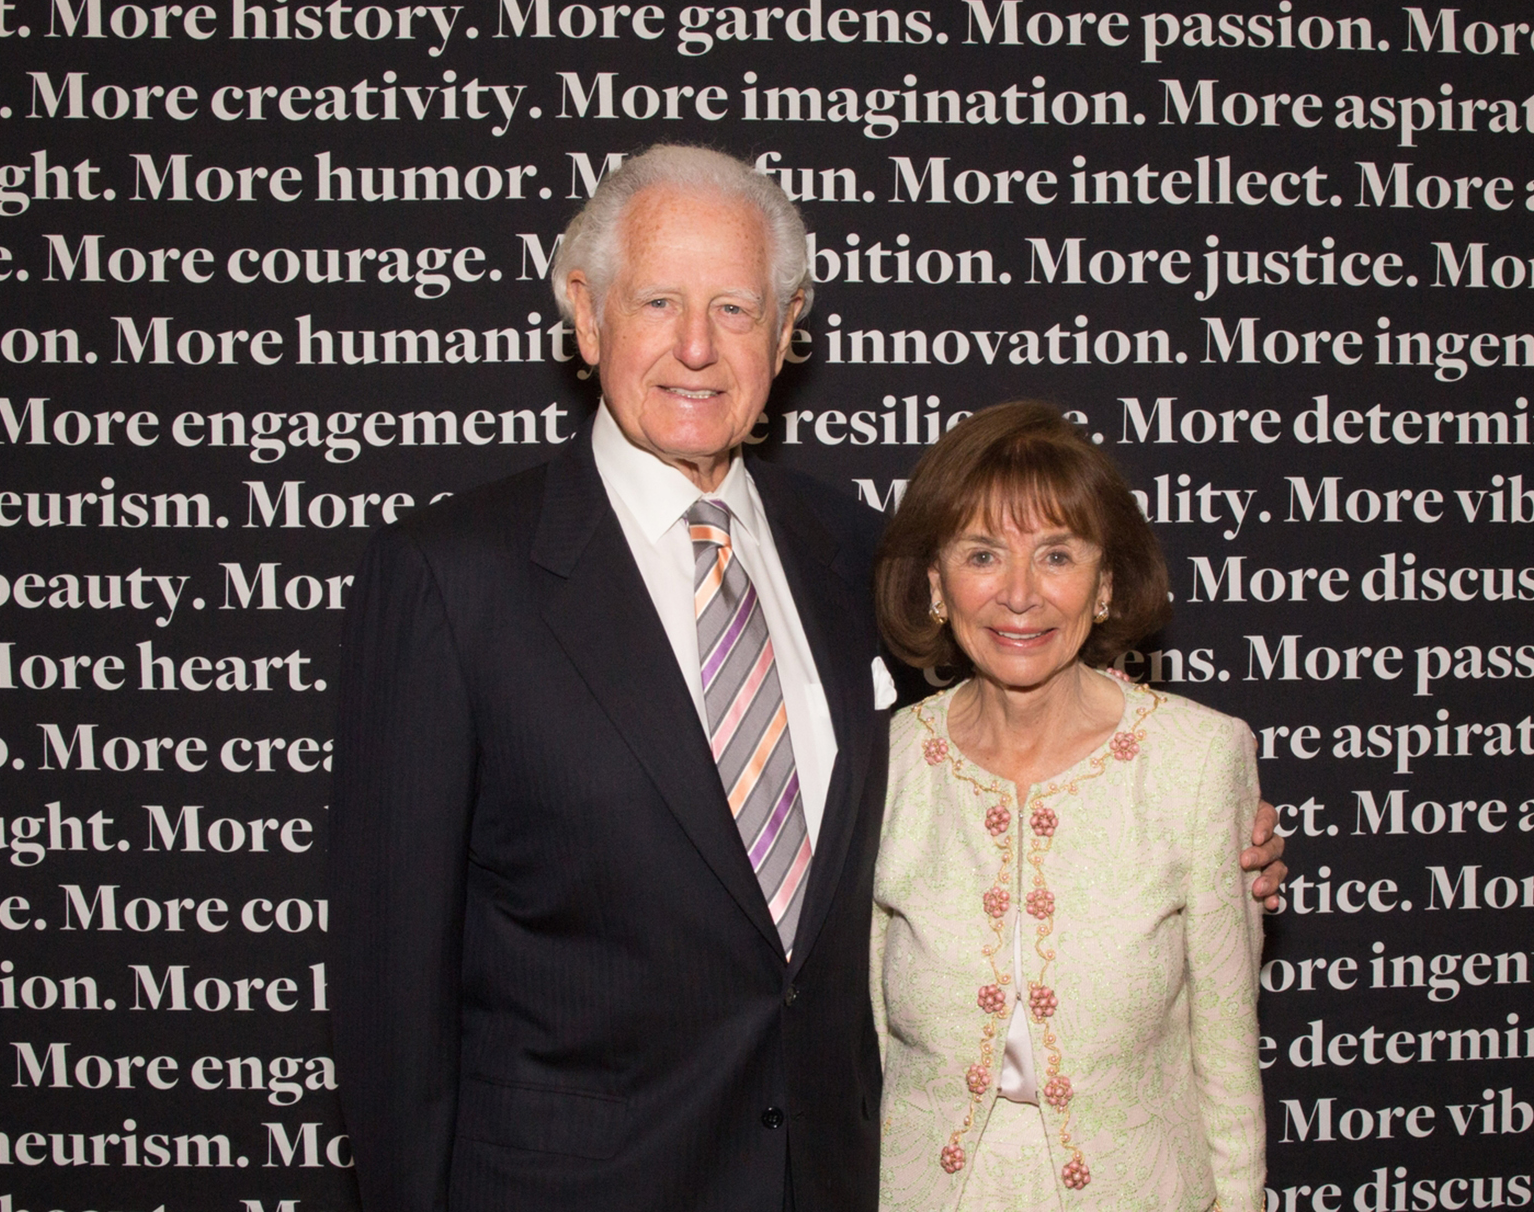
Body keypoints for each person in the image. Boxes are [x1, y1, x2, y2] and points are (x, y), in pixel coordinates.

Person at [328, 146, 1284, 1212]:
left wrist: (1204, 838)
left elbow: (976, 780)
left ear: (786, 336)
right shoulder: (450, 580)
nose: (698, 346)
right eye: (659, 301)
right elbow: (389, 996)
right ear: (586, 315)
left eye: (736, 308)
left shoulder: (853, 554)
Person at [870, 402, 1266, 1211]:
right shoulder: (883, 765)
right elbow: (862, 1032)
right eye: (983, 554)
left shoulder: (1197, 759)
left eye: (1056, 554)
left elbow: (1226, 1052)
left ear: (1108, 582)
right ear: (937, 583)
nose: (1020, 594)